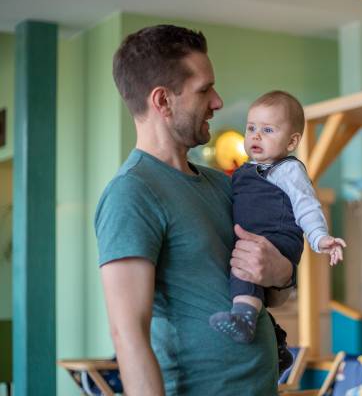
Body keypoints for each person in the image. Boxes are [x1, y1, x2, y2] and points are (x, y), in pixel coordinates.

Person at [95, 25, 294, 395]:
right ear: (162, 101)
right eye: (205, 89)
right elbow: (128, 335)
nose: (218, 101)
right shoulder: (131, 193)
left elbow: (275, 294)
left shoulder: (224, 185)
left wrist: (281, 273)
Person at [209, 91, 346, 348]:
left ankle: (245, 320)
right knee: (243, 269)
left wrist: (320, 237)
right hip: (257, 236)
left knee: (244, 268)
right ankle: (273, 338)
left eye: (268, 130)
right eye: (251, 128)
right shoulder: (244, 171)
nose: (256, 135)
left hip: (277, 237)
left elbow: (306, 204)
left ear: (292, 141)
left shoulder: (288, 170)